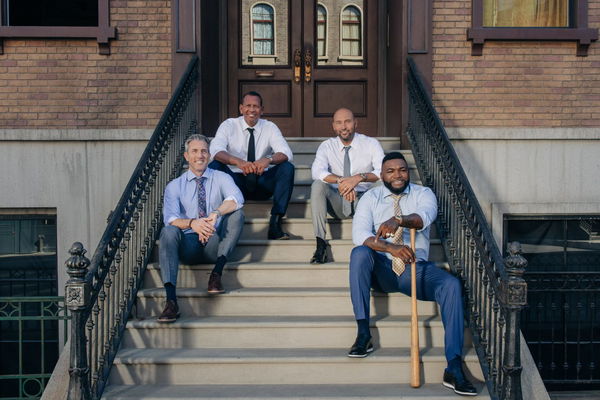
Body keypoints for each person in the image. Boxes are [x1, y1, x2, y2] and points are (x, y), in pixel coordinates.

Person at [347, 152, 477, 396]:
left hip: (413, 269)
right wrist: (391, 247)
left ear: (408, 172)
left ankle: (454, 366)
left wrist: (400, 220)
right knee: (359, 254)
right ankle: (364, 332)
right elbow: (360, 235)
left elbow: (424, 217)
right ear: (382, 175)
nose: (398, 175)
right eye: (391, 171)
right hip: (382, 269)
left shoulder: (423, 194)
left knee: (451, 285)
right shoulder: (371, 197)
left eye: (402, 170)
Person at [157, 134, 245, 323]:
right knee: (168, 232)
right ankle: (171, 300)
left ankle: (216, 274)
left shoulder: (221, 177)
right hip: (188, 244)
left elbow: (237, 198)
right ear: (186, 156)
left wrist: (215, 214)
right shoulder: (174, 186)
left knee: (238, 214)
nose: (200, 155)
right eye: (195, 151)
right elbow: (170, 218)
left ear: (210, 155)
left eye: (204, 151)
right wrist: (193, 224)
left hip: (214, 242)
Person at [209, 91, 294, 240]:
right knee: (215, 166)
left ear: (262, 110)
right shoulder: (229, 125)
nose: (252, 110)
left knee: (287, 168)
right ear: (241, 109)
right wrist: (238, 162)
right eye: (248, 106)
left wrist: (268, 159)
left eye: (256, 106)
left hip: (262, 182)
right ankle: (215, 220)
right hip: (235, 183)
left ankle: (275, 223)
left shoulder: (269, 127)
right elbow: (215, 150)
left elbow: (286, 152)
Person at [309, 107, 384, 263]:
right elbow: (317, 171)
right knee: (318, 185)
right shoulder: (327, 146)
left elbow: (382, 172)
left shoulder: (370, 143)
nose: (343, 127)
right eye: (339, 123)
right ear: (334, 126)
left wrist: (358, 178)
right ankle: (320, 244)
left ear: (355, 123)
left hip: (363, 201)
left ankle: (377, 241)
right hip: (337, 200)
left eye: (347, 121)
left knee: (380, 187)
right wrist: (343, 181)